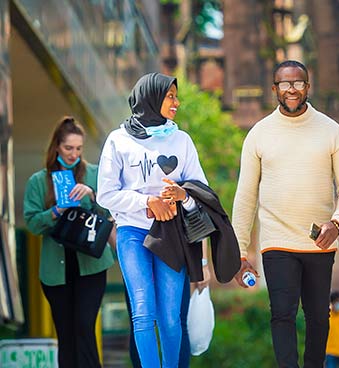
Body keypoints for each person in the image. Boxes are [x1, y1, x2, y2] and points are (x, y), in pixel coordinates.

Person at [231, 60, 339, 368]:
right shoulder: (259, 134)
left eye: (298, 83)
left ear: (307, 87)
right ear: (274, 89)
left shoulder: (331, 131)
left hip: (320, 241)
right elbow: (246, 196)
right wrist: (239, 250)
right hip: (277, 241)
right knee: (282, 312)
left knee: (318, 317)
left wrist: (338, 223)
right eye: (285, 84)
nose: (291, 89)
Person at [97, 72, 210, 367]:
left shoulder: (182, 140)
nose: (177, 102)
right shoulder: (118, 141)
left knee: (171, 318)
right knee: (143, 312)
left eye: (176, 96)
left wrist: (181, 196)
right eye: (170, 96)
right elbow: (105, 194)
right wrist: (147, 202)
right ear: (152, 98)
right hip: (132, 233)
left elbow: (202, 192)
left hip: (171, 235)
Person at [23, 117, 115, 368]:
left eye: (78, 149)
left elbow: (111, 213)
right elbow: (31, 223)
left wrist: (91, 195)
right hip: (56, 271)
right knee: (66, 333)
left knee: (84, 326)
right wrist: (55, 211)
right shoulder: (38, 181)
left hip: (91, 266)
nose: (74, 154)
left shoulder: (95, 174)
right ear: (56, 147)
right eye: (68, 148)